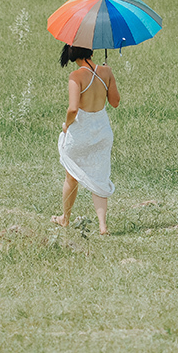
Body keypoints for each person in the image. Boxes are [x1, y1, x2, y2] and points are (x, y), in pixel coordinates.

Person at [53, 45, 121, 234]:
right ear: (91, 51)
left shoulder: (76, 76)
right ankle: (102, 225)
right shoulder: (106, 71)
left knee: (71, 175)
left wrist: (66, 125)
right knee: (100, 176)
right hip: (101, 132)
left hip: (82, 132)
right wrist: (107, 78)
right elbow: (115, 102)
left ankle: (65, 218)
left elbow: (73, 109)